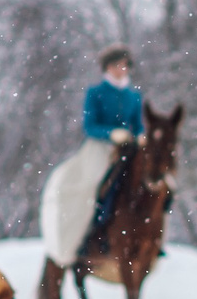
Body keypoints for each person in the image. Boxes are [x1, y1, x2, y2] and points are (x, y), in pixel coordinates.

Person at [39, 45, 146, 272]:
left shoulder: (134, 96)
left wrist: (140, 136)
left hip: (128, 148)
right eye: (117, 65)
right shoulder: (96, 93)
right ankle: (87, 235)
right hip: (101, 148)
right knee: (90, 187)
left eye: (124, 65)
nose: (121, 69)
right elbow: (90, 125)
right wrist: (111, 133)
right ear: (107, 67)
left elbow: (138, 124)